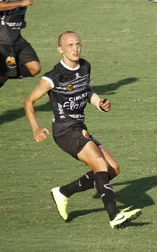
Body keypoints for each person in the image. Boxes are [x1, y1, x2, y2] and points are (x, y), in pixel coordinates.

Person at [23, 31, 141, 229]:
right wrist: (35, 128)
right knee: (100, 165)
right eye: (70, 45)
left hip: (79, 128)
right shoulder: (53, 77)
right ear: (60, 50)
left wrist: (99, 103)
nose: (75, 48)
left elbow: (87, 92)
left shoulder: (85, 66)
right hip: (64, 131)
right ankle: (114, 216)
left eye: (78, 44)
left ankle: (63, 192)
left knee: (113, 169)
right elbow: (28, 101)